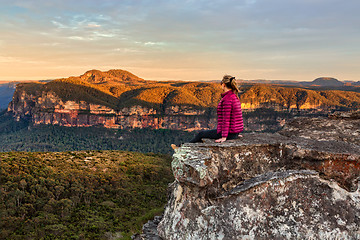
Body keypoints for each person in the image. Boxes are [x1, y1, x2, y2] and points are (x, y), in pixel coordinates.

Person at [172, 75, 244, 149]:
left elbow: (226, 119)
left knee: (201, 134)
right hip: (234, 132)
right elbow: (237, 116)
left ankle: (183, 148)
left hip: (229, 133)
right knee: (203, 135)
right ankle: (185, 147)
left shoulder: (227, 99)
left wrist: (224, 137)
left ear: (224, 84)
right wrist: (236, 133)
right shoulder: (234, 96)